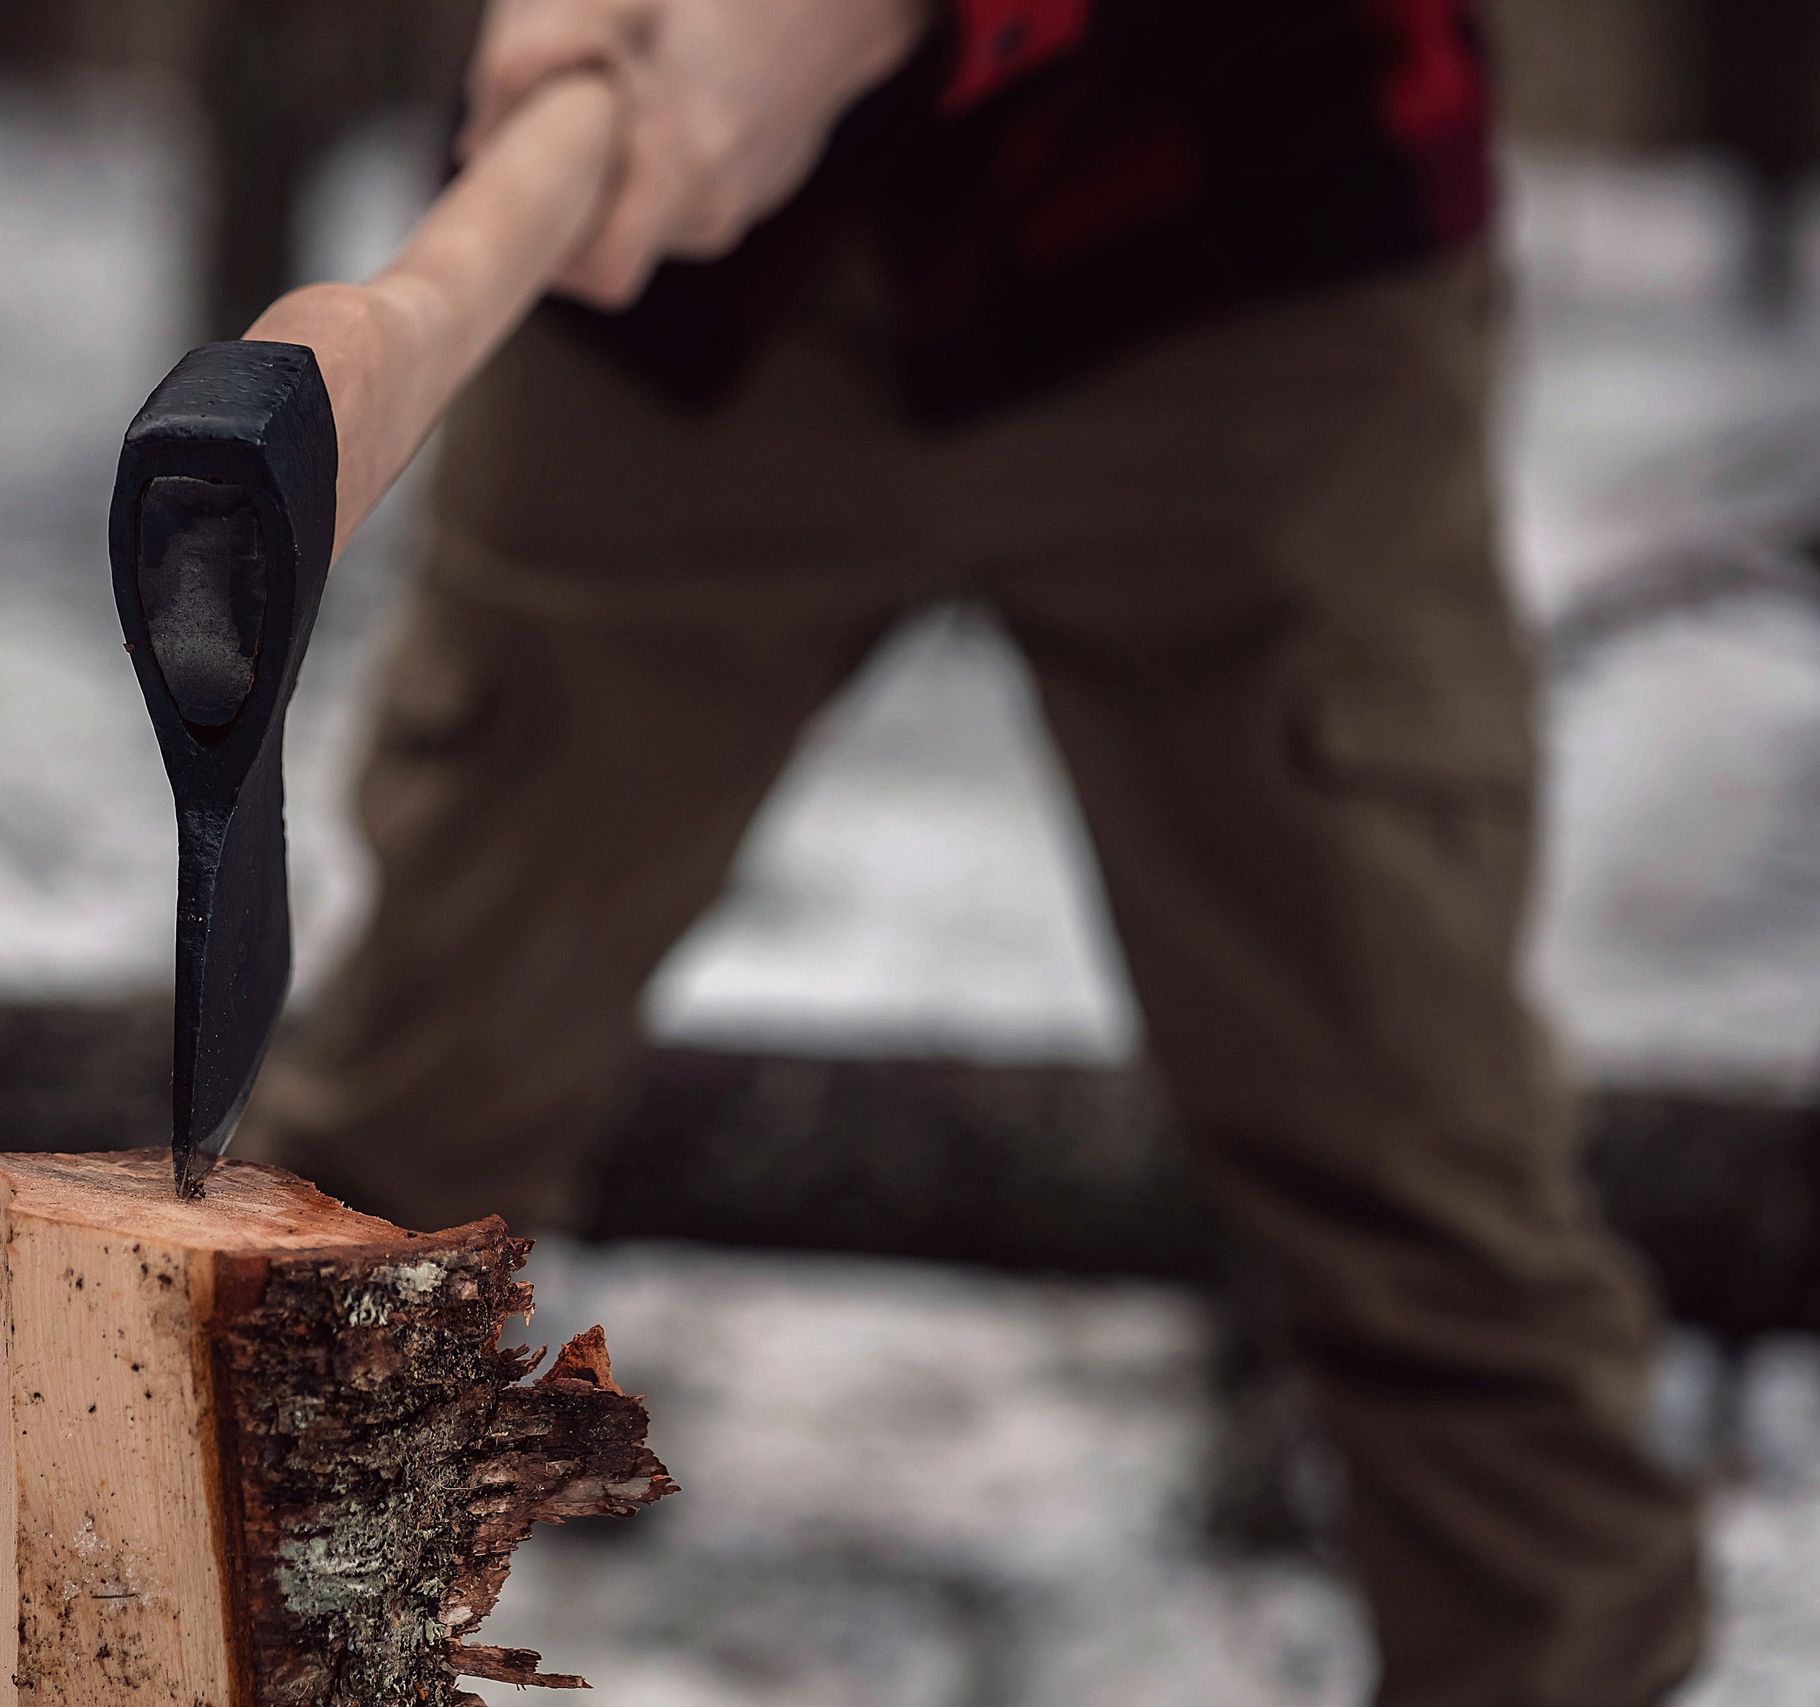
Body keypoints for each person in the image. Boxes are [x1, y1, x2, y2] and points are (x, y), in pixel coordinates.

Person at [237, 2, 1707, 1700]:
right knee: (398, 1147)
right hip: (664, 308)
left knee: (1420, 1192)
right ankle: (245, 1661)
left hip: (1251, 248)